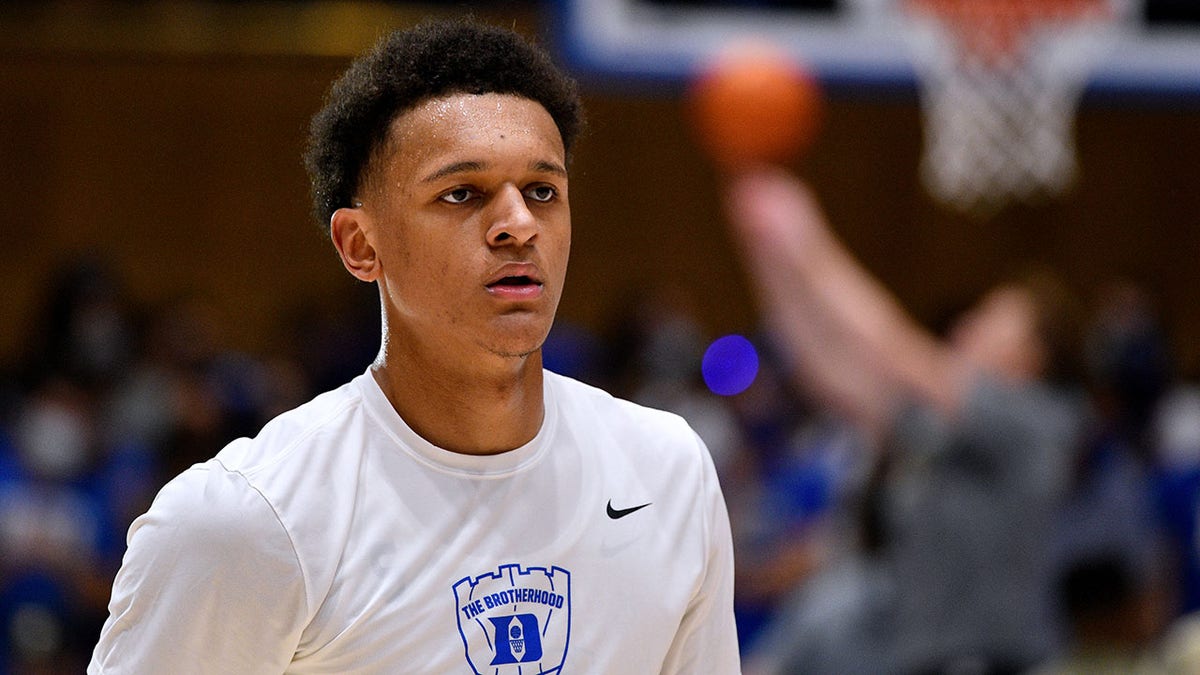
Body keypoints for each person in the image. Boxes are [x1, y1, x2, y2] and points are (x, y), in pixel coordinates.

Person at [87, 19, 740, 674]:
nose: (518, 223)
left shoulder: (669, 471)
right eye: (463, 193)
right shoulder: (246, 520)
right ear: (360, 245)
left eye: (543, 191)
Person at [724, 167, 1083, 674]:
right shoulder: (938, 427)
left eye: (995, 320)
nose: (970, 327)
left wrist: (807, 239)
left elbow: (895, 348)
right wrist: (767, 255)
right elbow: (826, 369)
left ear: (1034, 356)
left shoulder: (1038, 422)